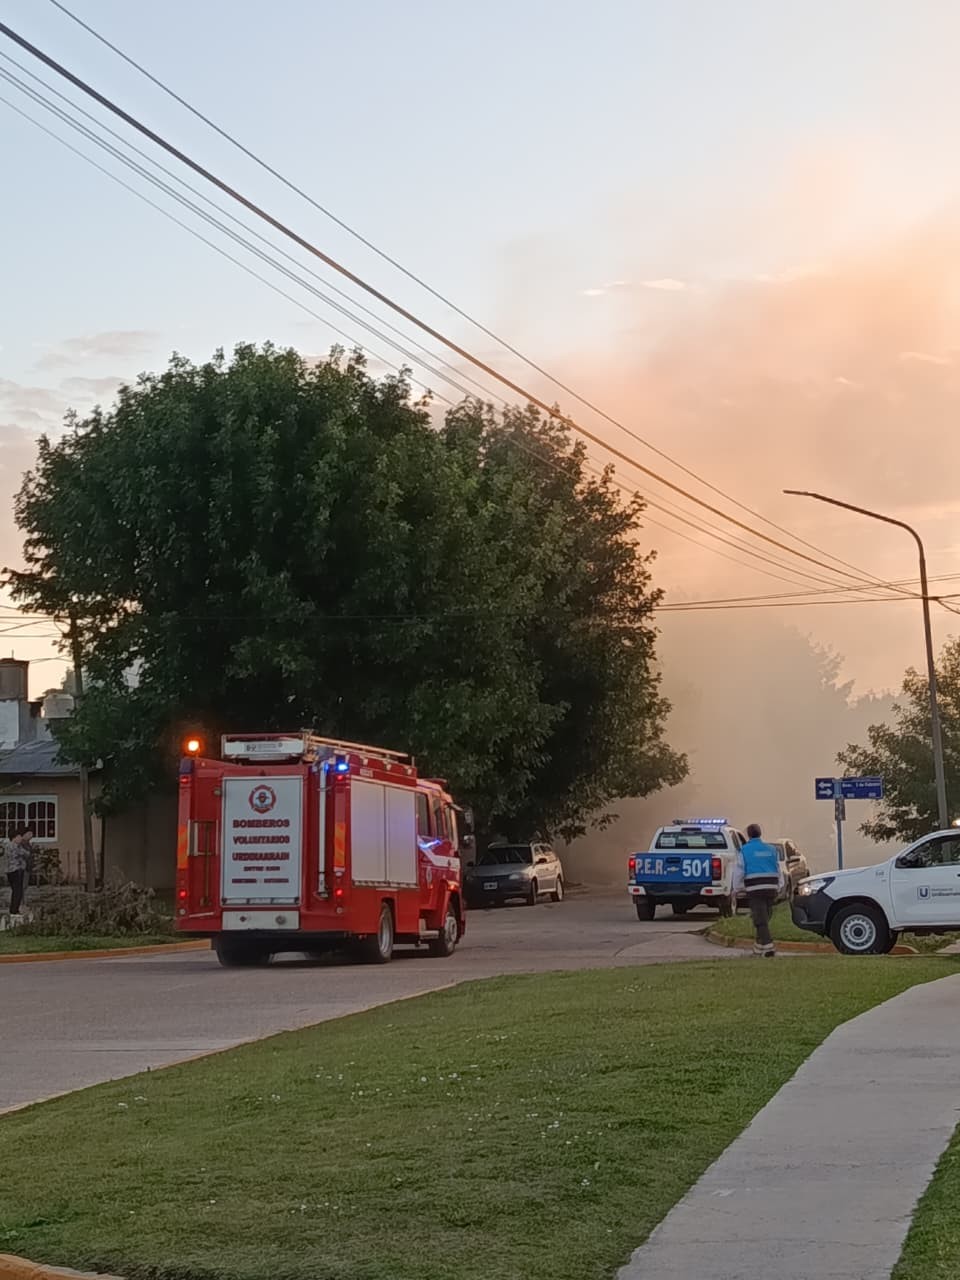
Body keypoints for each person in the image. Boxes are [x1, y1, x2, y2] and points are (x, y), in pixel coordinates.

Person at [738, 823, 780, 957]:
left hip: (755, 887)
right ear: (760, 834)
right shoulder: (771, 849)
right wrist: (779, 886)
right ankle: (758, 947)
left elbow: (739, 870)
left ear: (748, 835)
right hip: (771, 887)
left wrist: (736, 888)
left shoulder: (744, 850)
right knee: (764, 917)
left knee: (760, 919)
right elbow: (777, 868)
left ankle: (768, 947)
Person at [5, 825, 34, 918]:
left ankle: (14, 909)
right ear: (14, 837)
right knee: (18, 891)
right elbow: (26, 853)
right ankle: (14, 910)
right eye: (18, 837)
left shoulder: (7, 845)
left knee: (15, 890)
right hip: (16, 870)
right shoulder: (14, 846)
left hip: (10, 871)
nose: (20, 838)